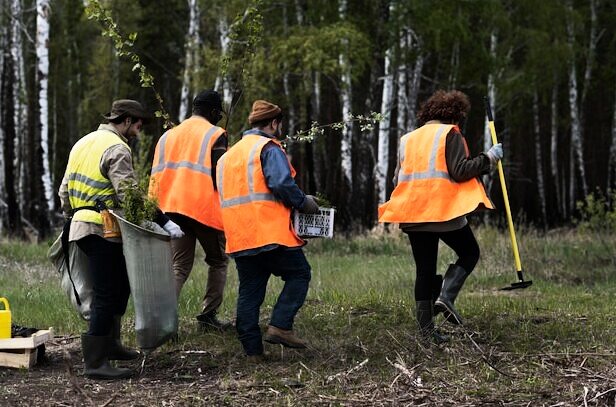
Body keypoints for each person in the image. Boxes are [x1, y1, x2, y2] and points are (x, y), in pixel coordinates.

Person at [59, 99, 184, 379]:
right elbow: (129, 194)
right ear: (126, 121)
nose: (139, 131)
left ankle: (111, 345)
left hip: (83, 226)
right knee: (106, 294)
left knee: (119, 286)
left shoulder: (83, 142)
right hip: (101, 229)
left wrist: (75, 214)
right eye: (138, 125)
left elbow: (63, 191)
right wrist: (163, 221)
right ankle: (95, 363)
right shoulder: (116, 148)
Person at [378, 90, 503, 343]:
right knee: (470, 252)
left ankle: (426, 333)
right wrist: (489, 158)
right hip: (442, 211)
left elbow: (395, 179)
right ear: (455, 114)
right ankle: (445, 296)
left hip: (413, 213)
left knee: (424, 271)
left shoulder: (407, 139)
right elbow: (460, 171)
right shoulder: (450, 133)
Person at [216, 100, 320, 359]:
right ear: (274, 123)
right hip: (269, 233)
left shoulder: (228, 156)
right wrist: (303, 202)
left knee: (250, 290)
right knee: (299, 274)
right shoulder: (268, 148)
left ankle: (253, 352)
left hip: (240, 236)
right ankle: (281, 326)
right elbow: (281, 183)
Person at [149, 90, 231, 330]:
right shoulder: (215, 134)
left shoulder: (167, 136)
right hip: (202, 207)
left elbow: (156, 176)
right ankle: (208, 316)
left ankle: (162, 321)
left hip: (171, 210)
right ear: (214, 111)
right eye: (218, 113)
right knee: (218, 261)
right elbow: (220, 176)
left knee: (179, 266)